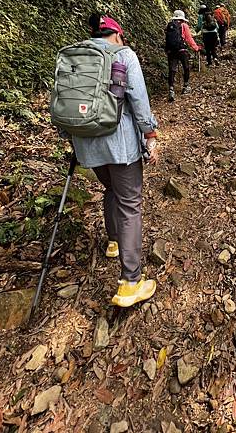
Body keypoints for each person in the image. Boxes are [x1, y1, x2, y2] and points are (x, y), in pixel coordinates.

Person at [71, 15, 159, 308]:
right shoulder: (124, 54)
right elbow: (138, 98)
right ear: (118, 35)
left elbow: (63, 99)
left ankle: (113, 242)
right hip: (120, 145)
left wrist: (71, 136)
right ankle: (130, 283)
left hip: (87, 145)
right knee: (130, 203)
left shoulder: (75, 55)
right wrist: (150, 135)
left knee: (110, 190)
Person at [165, 9, 201, 102]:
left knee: (172, 69)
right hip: (182, 50)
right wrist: (196, 48)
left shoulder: (170, 26)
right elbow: (189, 38)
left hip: (171, 51)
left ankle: (171, 89)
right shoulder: (184, 25)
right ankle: (185, 86)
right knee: (186, 67)